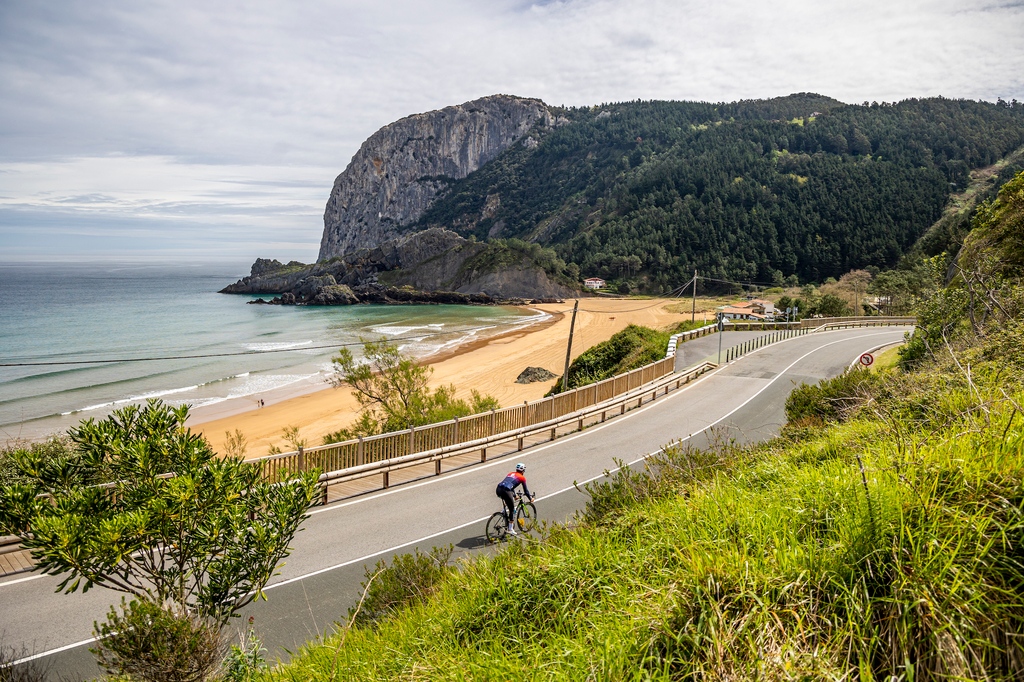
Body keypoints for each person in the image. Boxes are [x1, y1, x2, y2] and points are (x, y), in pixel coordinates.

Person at [496, 462, 532, 536]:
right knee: (512, 509)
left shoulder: (510, 473)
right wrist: (530, 498)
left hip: (498, 489)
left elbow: (510, 485)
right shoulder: (522, 478)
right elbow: (526, 491)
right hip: (506, 491)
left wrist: (515, 495)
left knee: (508, 500)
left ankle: (504, 512)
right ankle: (510, 529)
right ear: (523, 471)